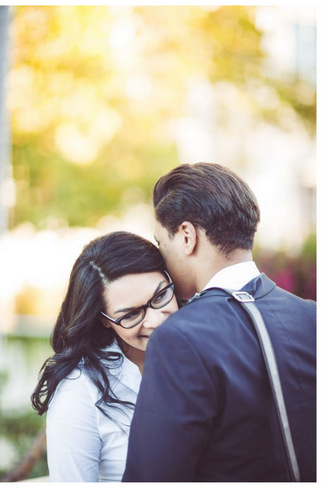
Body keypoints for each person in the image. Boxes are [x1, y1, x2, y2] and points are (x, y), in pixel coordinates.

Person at [123, 162, 316, 481]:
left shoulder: (180, 338)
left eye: (161, 243)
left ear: (187, 236)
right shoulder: (312, 316)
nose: (161, 257)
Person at [30, 231, 179, 481]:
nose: (156, 320)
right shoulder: (79, 392)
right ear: (104, 320)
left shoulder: (201, 354)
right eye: (131, 315)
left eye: (160, 296)